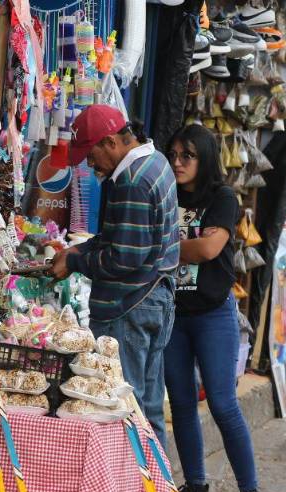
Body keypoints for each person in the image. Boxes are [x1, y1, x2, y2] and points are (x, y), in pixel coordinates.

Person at [161, 125, 282, 492]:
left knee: (223, 403)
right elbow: (196, 245)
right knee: (180, 404)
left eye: (188, 156)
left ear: (206, 159)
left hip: (213, 315)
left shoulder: (223, 197)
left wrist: (158, 248)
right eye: (174, 154)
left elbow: (210, 247)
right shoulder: (165, 193)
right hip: (173, 315)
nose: (178, 162)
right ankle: (197, 487)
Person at [50, 104, 180, 447]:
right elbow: (122, 240)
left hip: (130, 308)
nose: (90, 165)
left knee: (121, 408)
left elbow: (125, 258)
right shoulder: (157, 162)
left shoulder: (132, 182)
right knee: (147, 408)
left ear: (111, 142)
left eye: (91, 155)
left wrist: (75, 263)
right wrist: (78, 251)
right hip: (154, 299)